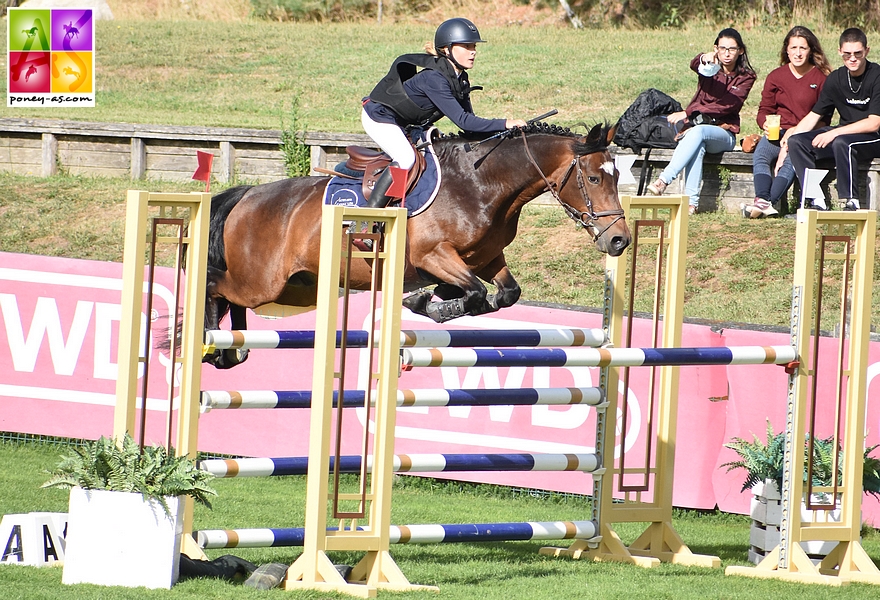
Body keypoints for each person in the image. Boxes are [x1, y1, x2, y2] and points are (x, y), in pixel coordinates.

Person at [360, 17, 526, 212]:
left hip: (404, 122)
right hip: (379, 116)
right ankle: (368, 216)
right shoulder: (434, 78)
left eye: (473, 46)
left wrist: (505, 134)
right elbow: (464, 120)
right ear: (446, 49)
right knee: (405, 158)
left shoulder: (460, 78)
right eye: (466, 46)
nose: (473, 51)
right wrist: (505, 123)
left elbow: (468, 125)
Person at [647, 28, 757, 215]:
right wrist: (705, 58)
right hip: (697, 132)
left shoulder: (746, 77)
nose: (727, 53)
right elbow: (693, 63)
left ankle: (663, 180)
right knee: (697, 145)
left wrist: (688, 113)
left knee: (697, 133)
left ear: (741, 51)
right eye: (722, 48)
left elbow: (727, 106)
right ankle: (691, 204)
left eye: (732, 48)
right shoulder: (709, 69)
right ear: (716, 49)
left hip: (724, 134)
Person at [785, 28, 880, 211]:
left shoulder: (876, 75)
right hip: (845, 132)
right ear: (839, 52)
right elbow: (815, 115)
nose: (852, 59)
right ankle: (816, 200)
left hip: (874, 136)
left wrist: (835, 132)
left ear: (867, 51)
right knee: (798, 141)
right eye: (847, 54)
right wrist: (787, 144)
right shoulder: (836, 78)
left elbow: (874, 122)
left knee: (843, 143)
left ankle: (851, 201)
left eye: (857, 54)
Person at [742, 26, 832, 218]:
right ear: (786, 50)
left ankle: (769, 202)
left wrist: (796, 132)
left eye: (803, 48)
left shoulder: (821, 78)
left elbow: (824, 119)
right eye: (793, 48)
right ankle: (762, 200)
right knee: (762, 155)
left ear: (810, 50)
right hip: (778, 132)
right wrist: (764, 124)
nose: (798, 53)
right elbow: (764, 110)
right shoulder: (776, 76)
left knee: (791, 160)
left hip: (804, 135)